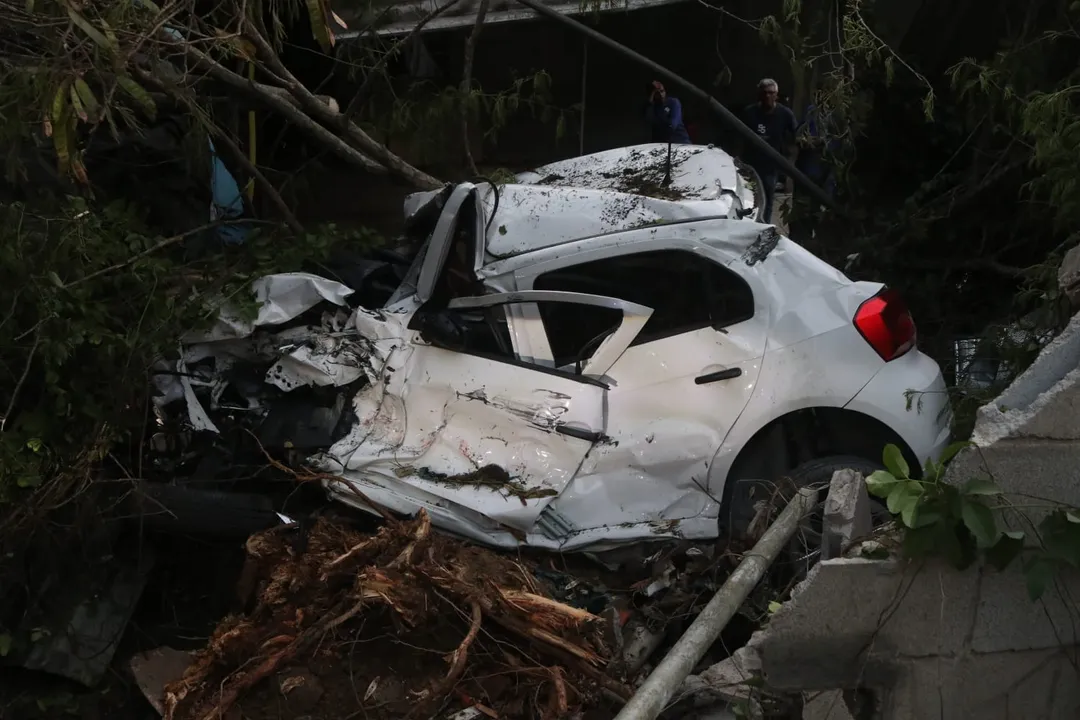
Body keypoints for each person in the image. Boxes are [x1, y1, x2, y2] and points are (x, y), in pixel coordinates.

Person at [741, 78, 797, 223]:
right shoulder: (749, 113)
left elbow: (796, 136)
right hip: (750, 164)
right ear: (759, 94)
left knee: (767, 199)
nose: (768, 96)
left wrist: (787, 158)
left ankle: (764, 226)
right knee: (748, 198)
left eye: (771, 93)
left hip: (770, 166)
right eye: (764, 93)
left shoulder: (785, 114)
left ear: (776, 95)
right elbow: (738, 136)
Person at [645, 80, 691, 145]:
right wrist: (650, 102)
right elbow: (649, 119)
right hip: (661, 144)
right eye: (657, 93)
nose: (661, 94)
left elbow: (673, 124)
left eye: (662, 91)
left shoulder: (673, 102)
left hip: (679, 141)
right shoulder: (653, 107)